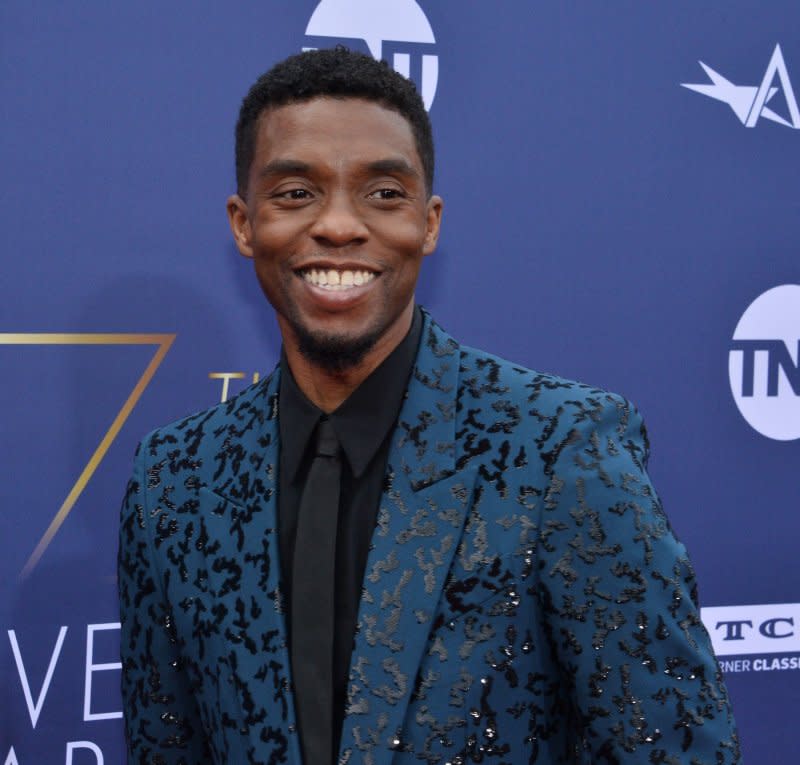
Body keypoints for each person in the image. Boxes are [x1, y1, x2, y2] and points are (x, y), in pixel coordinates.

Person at [118, 47, 740, 764]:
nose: (341, 226)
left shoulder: (563, 452)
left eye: (384, 193)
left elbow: (676, 750)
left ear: (430, 221)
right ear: (243, 222)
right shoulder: (175, 480)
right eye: (296, 193)